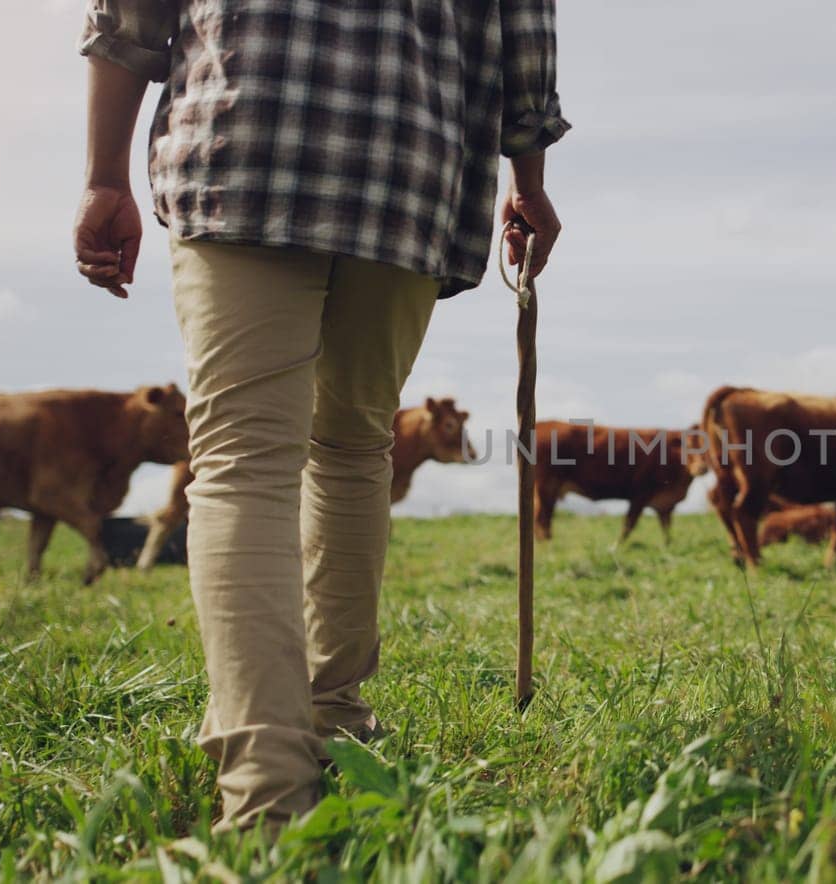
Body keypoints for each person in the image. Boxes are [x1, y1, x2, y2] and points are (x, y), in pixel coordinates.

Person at [73, 0, 568, 830]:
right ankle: (334, 721)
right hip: (413, 157)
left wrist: (100, 175)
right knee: (350, 450)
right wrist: (530, 185)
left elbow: (128, 17)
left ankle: (265, 784)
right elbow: (526, 37)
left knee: (240, 459)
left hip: (243, 132)